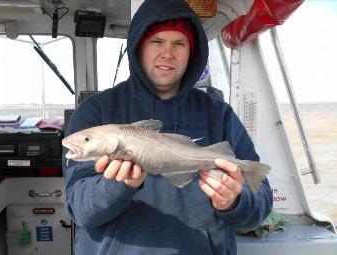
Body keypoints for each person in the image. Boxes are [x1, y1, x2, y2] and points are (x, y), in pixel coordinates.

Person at [63, 0, 273, 254]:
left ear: (192, 53)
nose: (167, 53)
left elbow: (260, 202)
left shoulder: (220, 114)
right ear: (139, 47)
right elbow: (80, 211)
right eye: (156, 42)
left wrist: (235, 201)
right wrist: (117, 186)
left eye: (179, 43)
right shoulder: (95, 112)